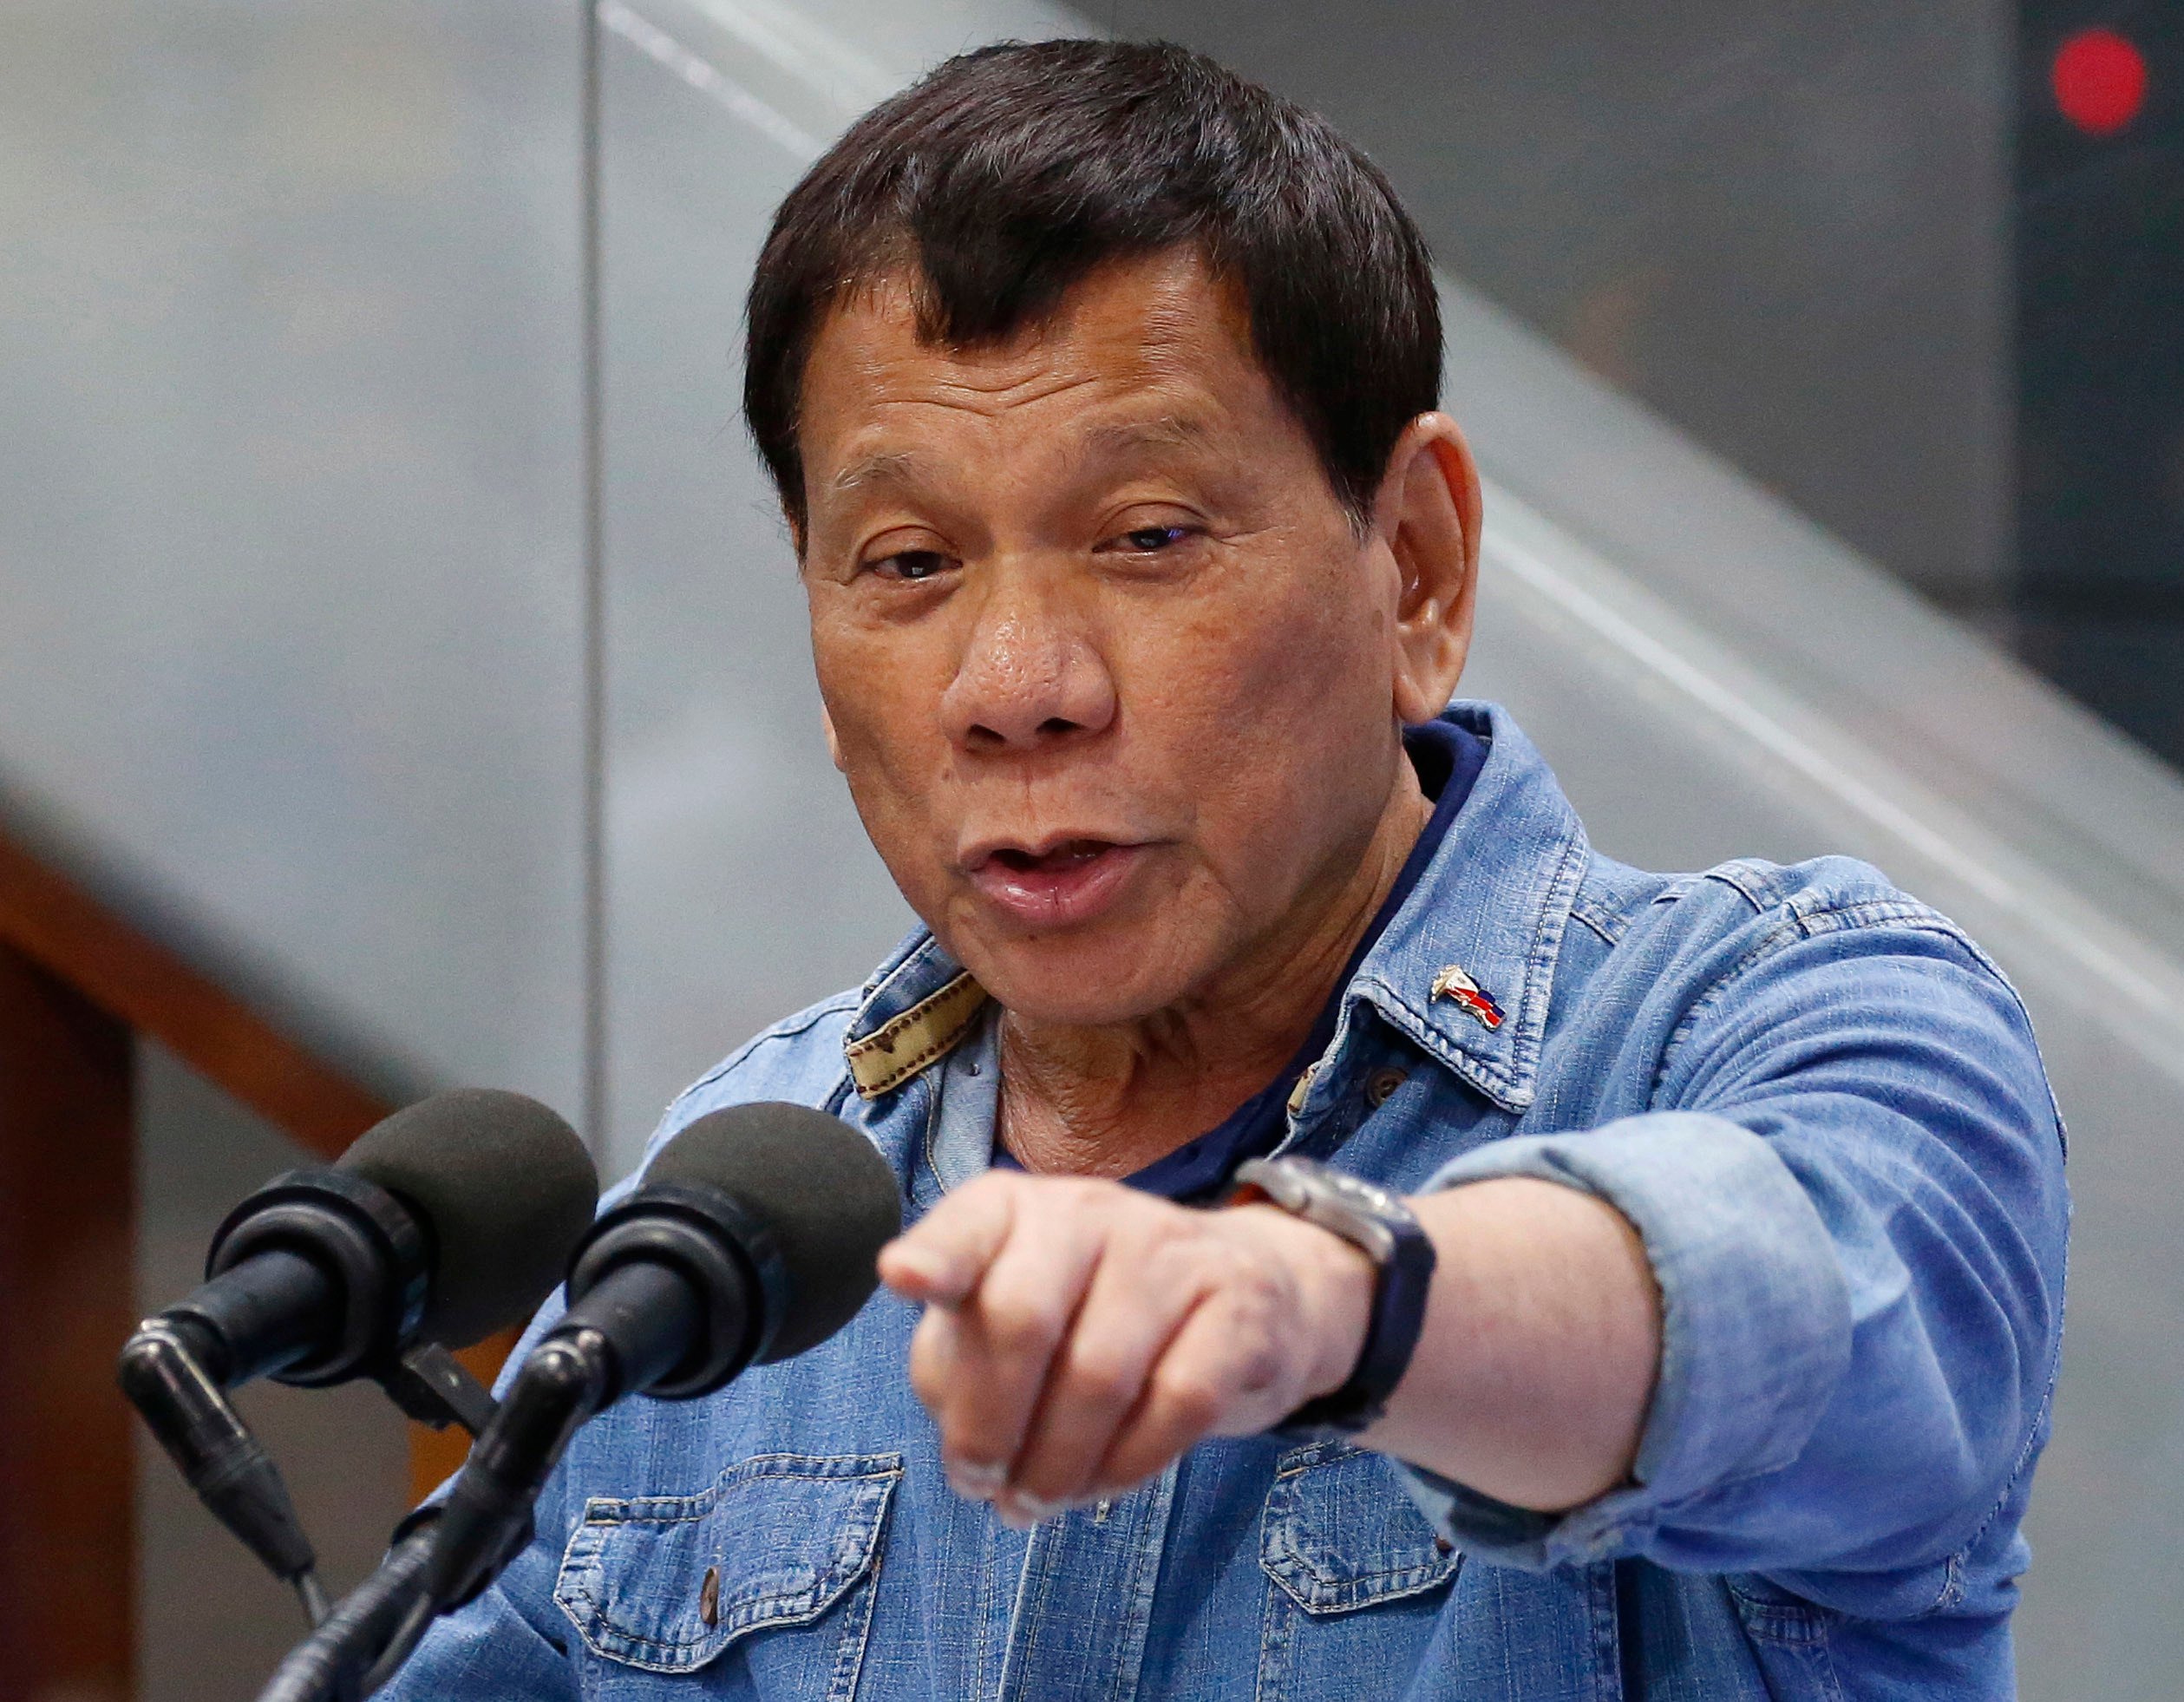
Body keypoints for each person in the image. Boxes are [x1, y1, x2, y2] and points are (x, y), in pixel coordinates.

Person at [385, 38, 2067, 1701]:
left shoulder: (1775, 1013)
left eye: (1145, 537)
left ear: (1411, 566)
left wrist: (1319, 1295)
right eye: (906, 564)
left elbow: (1784, 1300)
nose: (1013, 686)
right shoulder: (751, 1202)